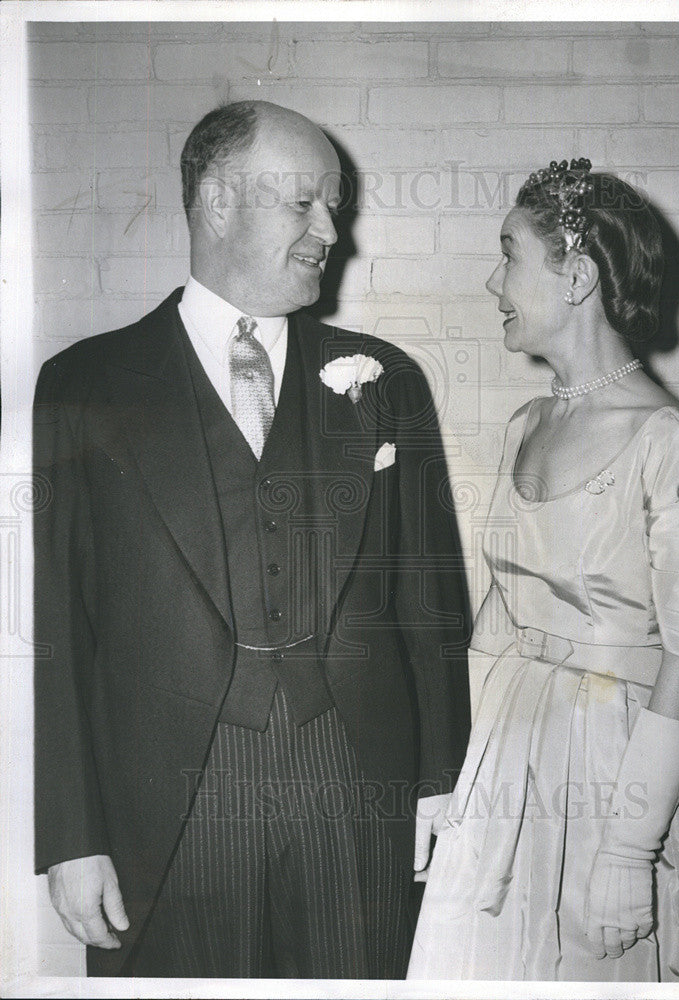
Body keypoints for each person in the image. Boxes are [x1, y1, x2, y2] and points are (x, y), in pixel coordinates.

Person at [34, 100, 470, 979]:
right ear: (218, 201)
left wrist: (439, 784)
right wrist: (71, 836)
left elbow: (432, 606)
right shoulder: (83, 384)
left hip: (356, 784)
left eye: (334, 205)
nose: (330, 231)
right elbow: (57, 629)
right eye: (303, 203)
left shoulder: (386, 381)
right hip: (166, 803)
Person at [407, 159, 679, 982]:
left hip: (616, 770)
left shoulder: (672, 442)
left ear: (578, 276)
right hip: (505, 756)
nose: (494, 282)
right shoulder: (527, 424)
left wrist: (632, 846)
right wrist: (455, 776)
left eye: (509, 254)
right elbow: (498, 621)